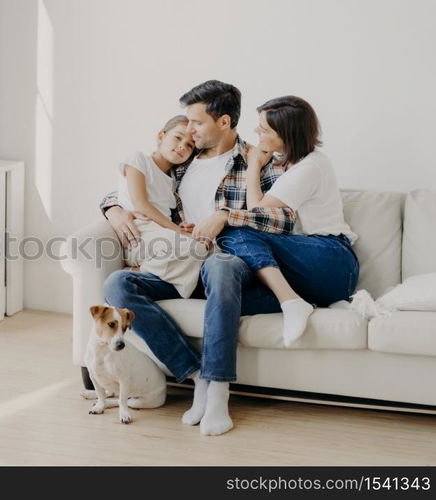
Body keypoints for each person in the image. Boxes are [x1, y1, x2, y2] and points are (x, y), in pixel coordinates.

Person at [102, 80, 297, 436]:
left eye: (196, 123)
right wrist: (112, 208)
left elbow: (284, 220)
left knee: (220, 266)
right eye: (186, 124)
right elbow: (137, 184)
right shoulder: (183, 159)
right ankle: (196, 376)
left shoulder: (258, 160)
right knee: (117, 284)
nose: (188, 131)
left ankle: (219, 389)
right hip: (180, 265)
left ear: (223, 122)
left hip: (227, 262)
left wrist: (226, 215)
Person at [219, 96, 359, 345]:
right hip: (312, 272)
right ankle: (310, 301)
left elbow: (256, 213)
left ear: (285, 135)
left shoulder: (310, 167)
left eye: (263, 130)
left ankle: (290, 301)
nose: (256, 132)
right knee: (226, 297)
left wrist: (253, 165)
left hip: (331, 258)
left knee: (232, 230)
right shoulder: (288, 164)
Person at [118, 115, 208, 298]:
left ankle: (161, 281)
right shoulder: (139, 159)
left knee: (207, 248)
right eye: (177, 137)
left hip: (161, 232)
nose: (183, 145)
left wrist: (182, 228)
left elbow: (167, 214)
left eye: (190, 145)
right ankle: (139, 270)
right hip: (139, 233)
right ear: (161, 136)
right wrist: (177, 231)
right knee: (193, 248)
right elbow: (141, 204)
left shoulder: (174, 181)